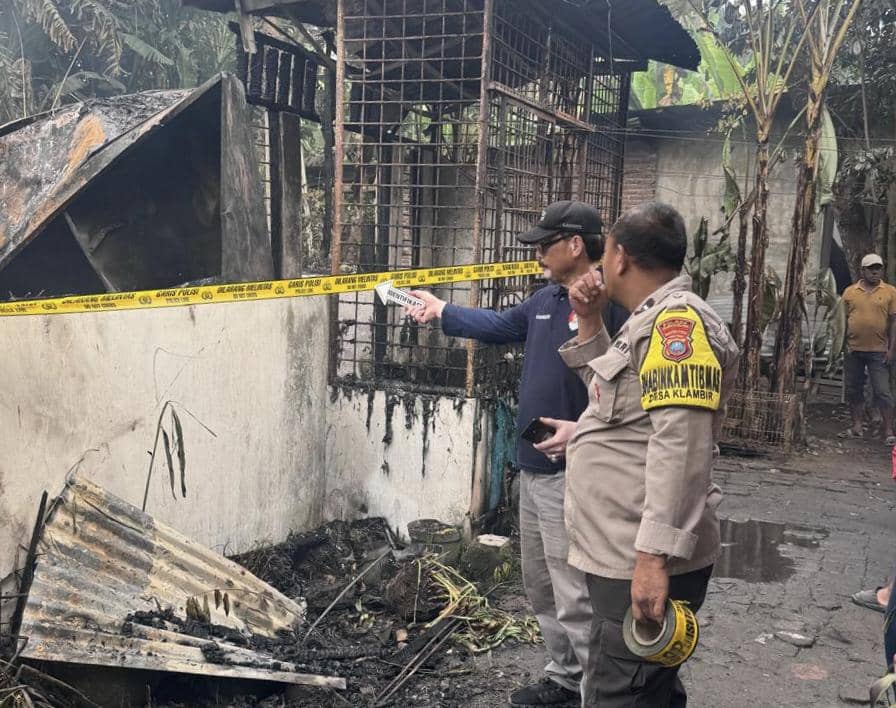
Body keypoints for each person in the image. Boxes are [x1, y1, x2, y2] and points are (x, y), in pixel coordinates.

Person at [406, 200, 627, 706]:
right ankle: (565, 675)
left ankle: (599, 693)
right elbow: (500, 325)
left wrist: (588, 429)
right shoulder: (545, 299)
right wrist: (442, 310)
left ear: (576, 245)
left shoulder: (607, 302)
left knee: (574, 590)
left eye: (545, 245)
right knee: (541, 583)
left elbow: (627, 387)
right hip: (533, 467)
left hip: (574, 469)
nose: (537, 255)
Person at [558, 202, 739, 707]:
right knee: (649, 690)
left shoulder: (676, 324)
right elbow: (614, 401)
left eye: (606, 251)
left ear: (619, 257)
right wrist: (589, 319)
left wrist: (652, 559)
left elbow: (681, 445)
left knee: (622, 693)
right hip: (624, 551)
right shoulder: (648, 320)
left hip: (638, 556)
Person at [840, 253, 896, 446]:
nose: (875, 272)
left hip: (879, 350)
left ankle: (888, 430)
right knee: (854, 388)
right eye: (871, 268)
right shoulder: (850, 292)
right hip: (853, 349)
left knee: (882, 391)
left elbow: (894, 322)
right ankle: (857, 426)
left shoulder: (890, 292)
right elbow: (841, 321)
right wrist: (842, 346)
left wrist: (891, 349)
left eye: (878, 268)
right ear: (862, 270)